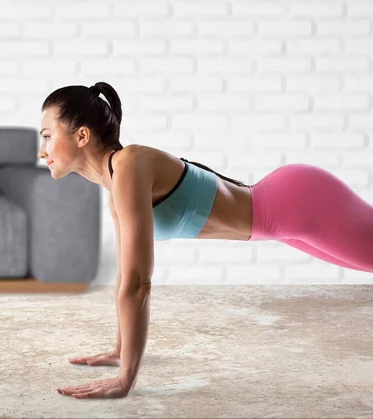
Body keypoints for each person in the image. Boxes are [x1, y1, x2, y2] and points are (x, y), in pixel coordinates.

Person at [38, 81, 373, 399]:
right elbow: (126, 278)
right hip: (285, 224)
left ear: (82, 135)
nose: (42, 151)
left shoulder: (129, 166)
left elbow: (139, 284)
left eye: (48, 136)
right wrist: (119, 350)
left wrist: (126, 377)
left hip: (300, 202)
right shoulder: (115, 187)